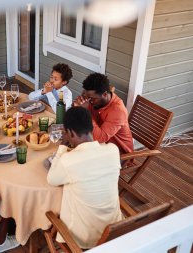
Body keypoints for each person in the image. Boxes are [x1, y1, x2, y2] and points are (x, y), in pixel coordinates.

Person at [47, 107, 123, 249]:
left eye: (67, 134)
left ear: (70, 133)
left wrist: (62, 147)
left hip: (85, 238)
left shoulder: (68, 160)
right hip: (114, 229)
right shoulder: (113, 150)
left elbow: (51, 179)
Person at [73, 73, 133, 154]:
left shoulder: (118, 111)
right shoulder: (95, 99)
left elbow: (100, 138)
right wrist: (77, 106)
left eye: (91, 99)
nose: (89, 101)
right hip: (99, 146)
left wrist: (85, 112)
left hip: (118, 154)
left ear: (104, 94)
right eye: (87, 97)